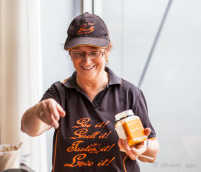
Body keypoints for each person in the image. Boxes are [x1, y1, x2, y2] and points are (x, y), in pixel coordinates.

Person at [21, 12, 159, 171]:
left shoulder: (129, 93)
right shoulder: (59, 93)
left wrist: (143, 145)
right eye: (78, 53)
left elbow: (152, 152)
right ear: (70, 55)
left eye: (94, 52)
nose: (86, 61)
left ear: (107, 52)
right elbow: (28, 128)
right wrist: (40, 109)